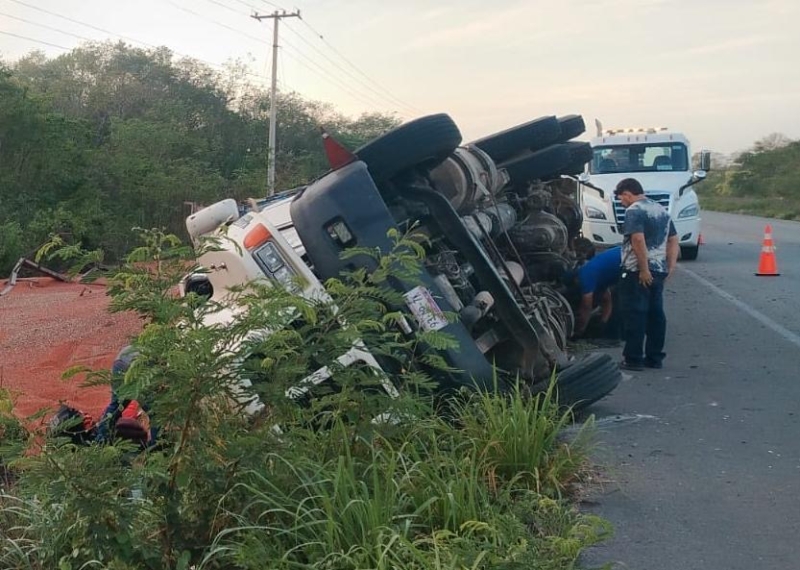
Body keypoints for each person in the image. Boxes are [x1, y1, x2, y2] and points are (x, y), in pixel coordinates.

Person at [614, 178, 678, 371]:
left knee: (635, 314)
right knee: (656, 314)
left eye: (621, 198)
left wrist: (644, 269)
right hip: (659, 269)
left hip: (636, 271)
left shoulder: (634, 210)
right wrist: (670, 265)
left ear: (627, 193)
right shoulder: (660, 209)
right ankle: (654, 357)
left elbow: (638, 239)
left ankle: (633, 359)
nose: (622, 202)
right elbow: (673, 239)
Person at [568, 245, 622, 340]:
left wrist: (579, 332)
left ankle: (613, 337)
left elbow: (586, 307)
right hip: (627, 256)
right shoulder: (599, 279)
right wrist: (603, 322)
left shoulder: (585, 277)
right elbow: (607, 301)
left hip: (631, 259)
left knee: (622, 300)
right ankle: (612, 335)